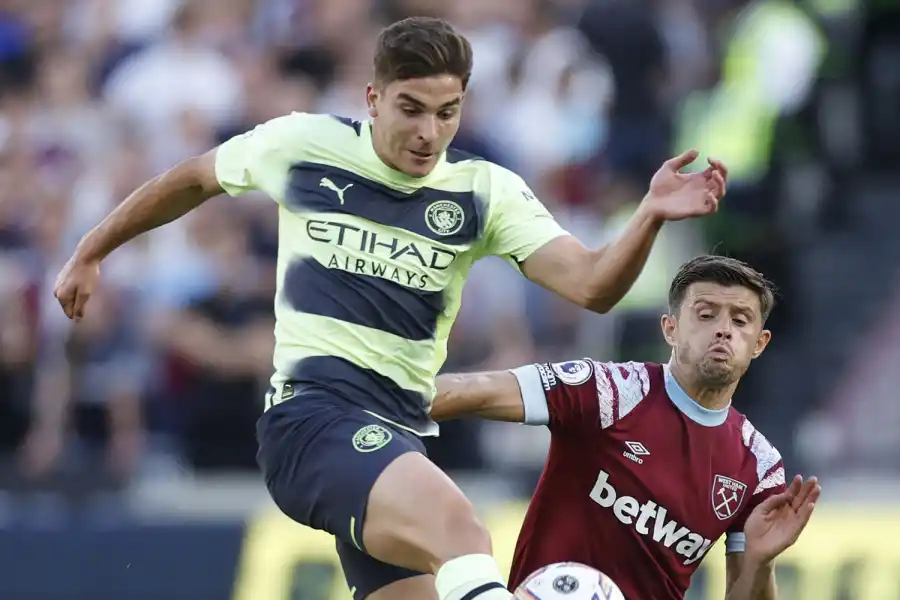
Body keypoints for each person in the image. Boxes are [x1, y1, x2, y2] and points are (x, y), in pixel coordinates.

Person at [52, 17, 729, 600]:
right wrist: (91, 249)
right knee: (463, 531)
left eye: (448, 111)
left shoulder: (482, 192)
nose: (429, 132)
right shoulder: (305, 146)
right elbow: (193, 178)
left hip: (396, 439)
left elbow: (591, 285)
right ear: (373, 98)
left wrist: (647, 216)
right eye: (411, 108)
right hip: (311, 422)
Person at [431, 255, 821, 600]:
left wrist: (760, 561)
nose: (723, 330)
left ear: (759, 343)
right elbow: (475, 391)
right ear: (670, 328)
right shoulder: (608, 392)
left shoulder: (759, 465)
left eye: (740, 320)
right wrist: (378, 400)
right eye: (705, 314)